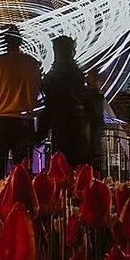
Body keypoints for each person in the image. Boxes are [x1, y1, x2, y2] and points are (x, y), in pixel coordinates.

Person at [0, 25, 42, 175]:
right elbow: (40, 92)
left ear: (4, 42)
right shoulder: (32, 64)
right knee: (22, 171)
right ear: (20, 41)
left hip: (0, 121)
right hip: (24, 122)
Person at [38, 36, 91, 166]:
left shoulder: (63, 72)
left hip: (66, 124)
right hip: (72, 125)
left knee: (65, 163)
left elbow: (58, 97)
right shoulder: (73, 72)